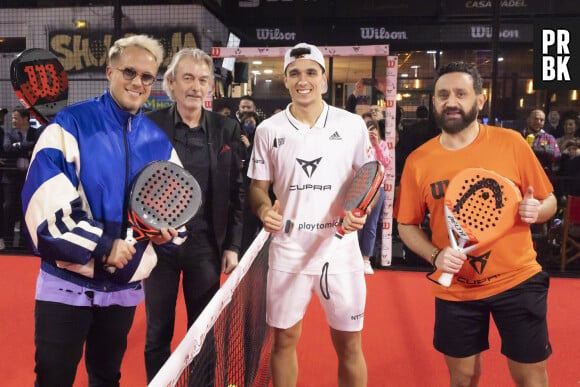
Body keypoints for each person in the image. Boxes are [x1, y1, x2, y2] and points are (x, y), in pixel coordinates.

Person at [21, 34, 182, 386]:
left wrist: (164, 233)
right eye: (129, 72)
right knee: (52, 379)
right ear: (109, 72)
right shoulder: (69, 124)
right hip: (65, 287)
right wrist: (105, 245)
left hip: (122, 293)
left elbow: (177, 214)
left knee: (107, 378)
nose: (137, 82)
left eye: (146, 76)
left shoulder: (158, 142)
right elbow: (43, 210)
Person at [395, 61, 555, 387]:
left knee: (531, 377)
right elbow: (406, 226)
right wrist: (435, 256)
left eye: (460, 93)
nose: (451, 101)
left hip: (518, 281)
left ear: (479, 100)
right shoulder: (418, 161)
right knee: (463, 377)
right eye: (442, 94)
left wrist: (535, 211)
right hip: (457, 291)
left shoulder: (510, 142)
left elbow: (549, 202)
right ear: (434, 101)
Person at [248, 42, 371, 387]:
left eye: (311, 73)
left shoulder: (352, 125)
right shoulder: (268, 130)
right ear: (285, 80)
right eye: (295, 74)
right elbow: (258, 187)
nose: (304, 80)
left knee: (349, 344)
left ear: (324, 79)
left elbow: (369, 182)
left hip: (341, 251)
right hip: (289, 249)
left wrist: (361, 211)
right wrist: (262, 208)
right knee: (284, 340)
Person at [143, 47, 245, 383]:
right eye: (187, 78)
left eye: (203, 80)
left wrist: (232, 245)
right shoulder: (148, 126)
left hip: (206, 248)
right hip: (159, 248)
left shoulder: (226, 129)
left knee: (203, 332)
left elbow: (237, 191)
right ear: (170, 83)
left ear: (210, 87)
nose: (195, 87)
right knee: (158, 331)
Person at [2, 108, 39, 249]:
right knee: (9, 207)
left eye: (16, 118)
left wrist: (17, 146)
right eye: (12, 118)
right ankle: (8, 242)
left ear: (25, 119)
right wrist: (25, 148)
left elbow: (36, 146)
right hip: (10, 179)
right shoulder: (8, 133)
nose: (13, 121)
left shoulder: (35, 133)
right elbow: (7, 148)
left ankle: (25, 243)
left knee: (27, 209)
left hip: (28, 179)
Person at [358, 119, 391, 274]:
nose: (371, 132)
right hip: (359, 189)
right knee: (356, 224)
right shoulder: (358, 146)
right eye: (368, 128)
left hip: (378, 188)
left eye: (374, 129)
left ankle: (366, 259)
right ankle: (354, 258)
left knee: (371, 225)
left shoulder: (383, 145)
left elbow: (385, 162)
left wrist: (376, 145)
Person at [522, 108, 561, 178]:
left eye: (541, 120)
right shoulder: (520, 136)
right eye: (535, 119)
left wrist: (538, 149)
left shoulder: (549, 137)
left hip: (542, 176)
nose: (538, 122)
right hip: (522, 174)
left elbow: (556, 156)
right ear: (528, 120)